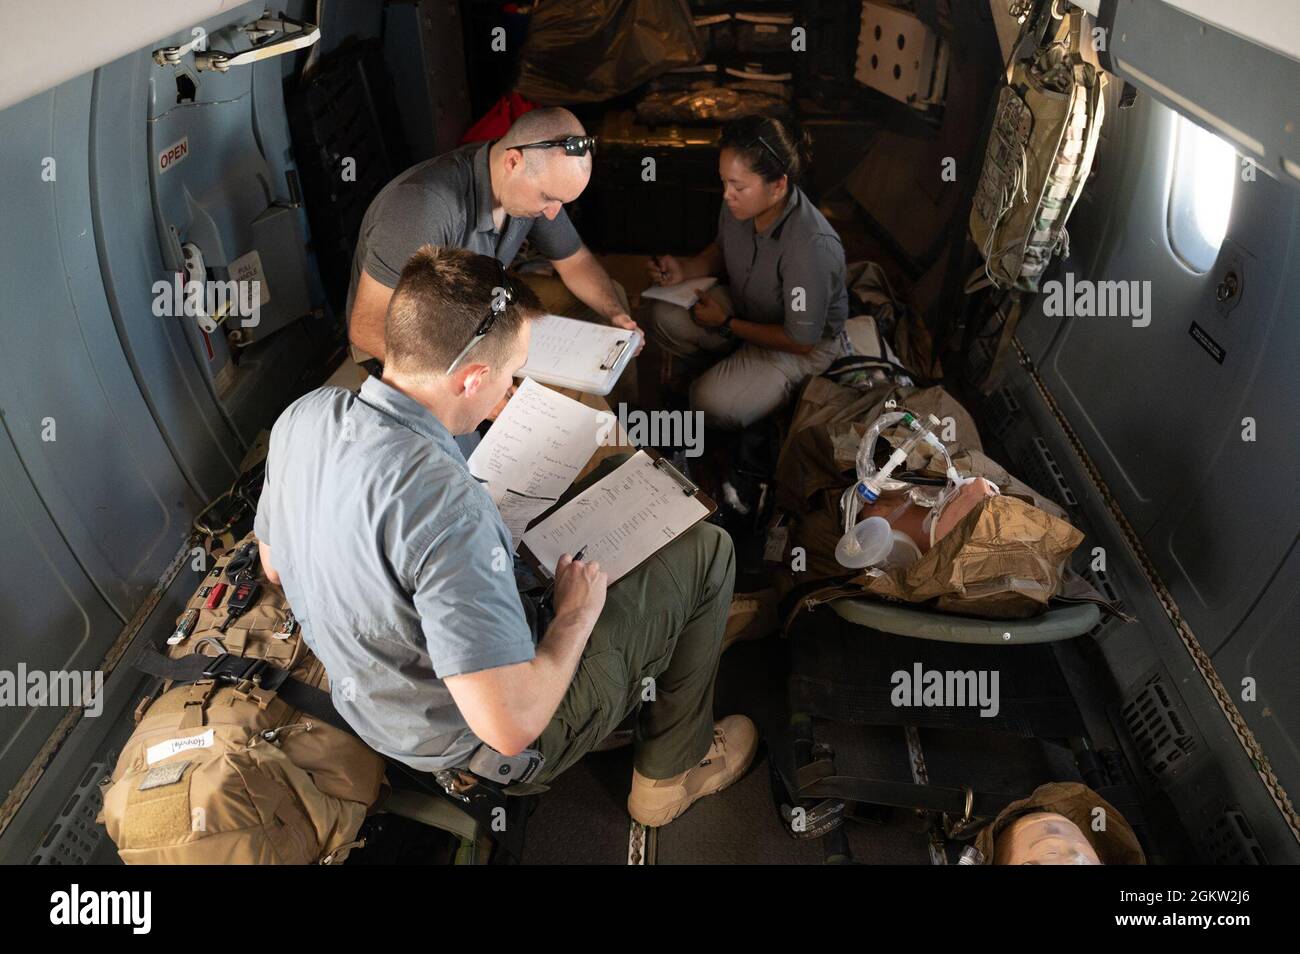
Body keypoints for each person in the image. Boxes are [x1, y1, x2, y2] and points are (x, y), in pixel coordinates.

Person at [255, 244, 755, 827]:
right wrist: (574, 613)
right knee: (707, 549)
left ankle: (661, 655)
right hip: (483, 752)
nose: (512, 391)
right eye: (511, 374)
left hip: (377, 710)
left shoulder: (306, 416)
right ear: (471, 378)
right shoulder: (451, 510)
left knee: (627, 476)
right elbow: (511, 728)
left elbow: (274, 565)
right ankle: (670, 777)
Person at [346, 106, 640, 370]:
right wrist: (469, 390)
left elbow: (575, 261)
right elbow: (366, 328)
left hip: (477, 313)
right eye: (548, 198)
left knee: (607, 303)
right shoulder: (424, 206)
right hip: (410, 345)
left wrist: (616, 316)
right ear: (514, 162)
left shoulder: (529, 190)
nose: (553, 214)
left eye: (561, 202)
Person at [645, 115, 851, 430]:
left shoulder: (810, 247)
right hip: (748, 307)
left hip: (798, 344)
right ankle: (728, 368)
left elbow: (801, 341)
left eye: (738, 185)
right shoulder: (741, 205)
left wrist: (726, 324)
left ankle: (752, 391)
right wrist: (684, 270)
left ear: (778, 184)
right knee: (663, 315)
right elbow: (721, 249)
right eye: (724, 181)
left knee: (709, 403)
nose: (727, 194)